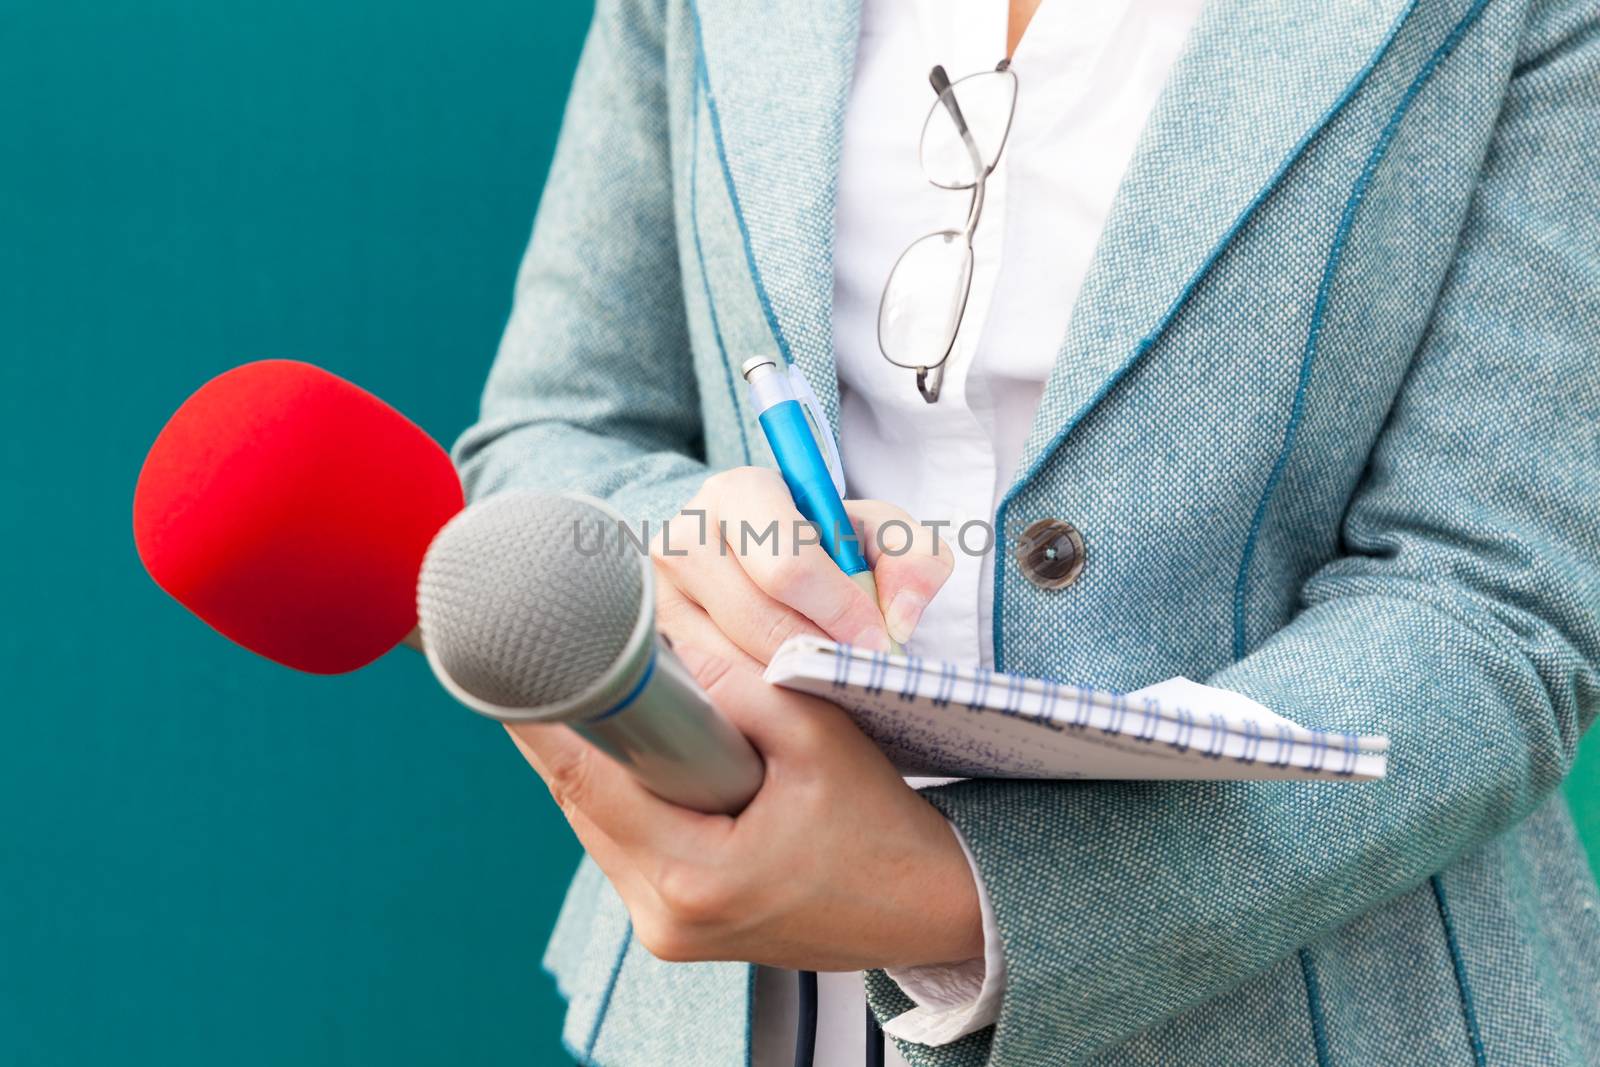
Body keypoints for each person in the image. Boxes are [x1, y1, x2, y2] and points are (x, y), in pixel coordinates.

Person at [452, 0, 1600, 1062]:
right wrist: (694, 543)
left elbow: (1497, 597)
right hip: (747, 1011)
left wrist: (961, 891)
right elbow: (550, 435)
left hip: (1309, 1007)